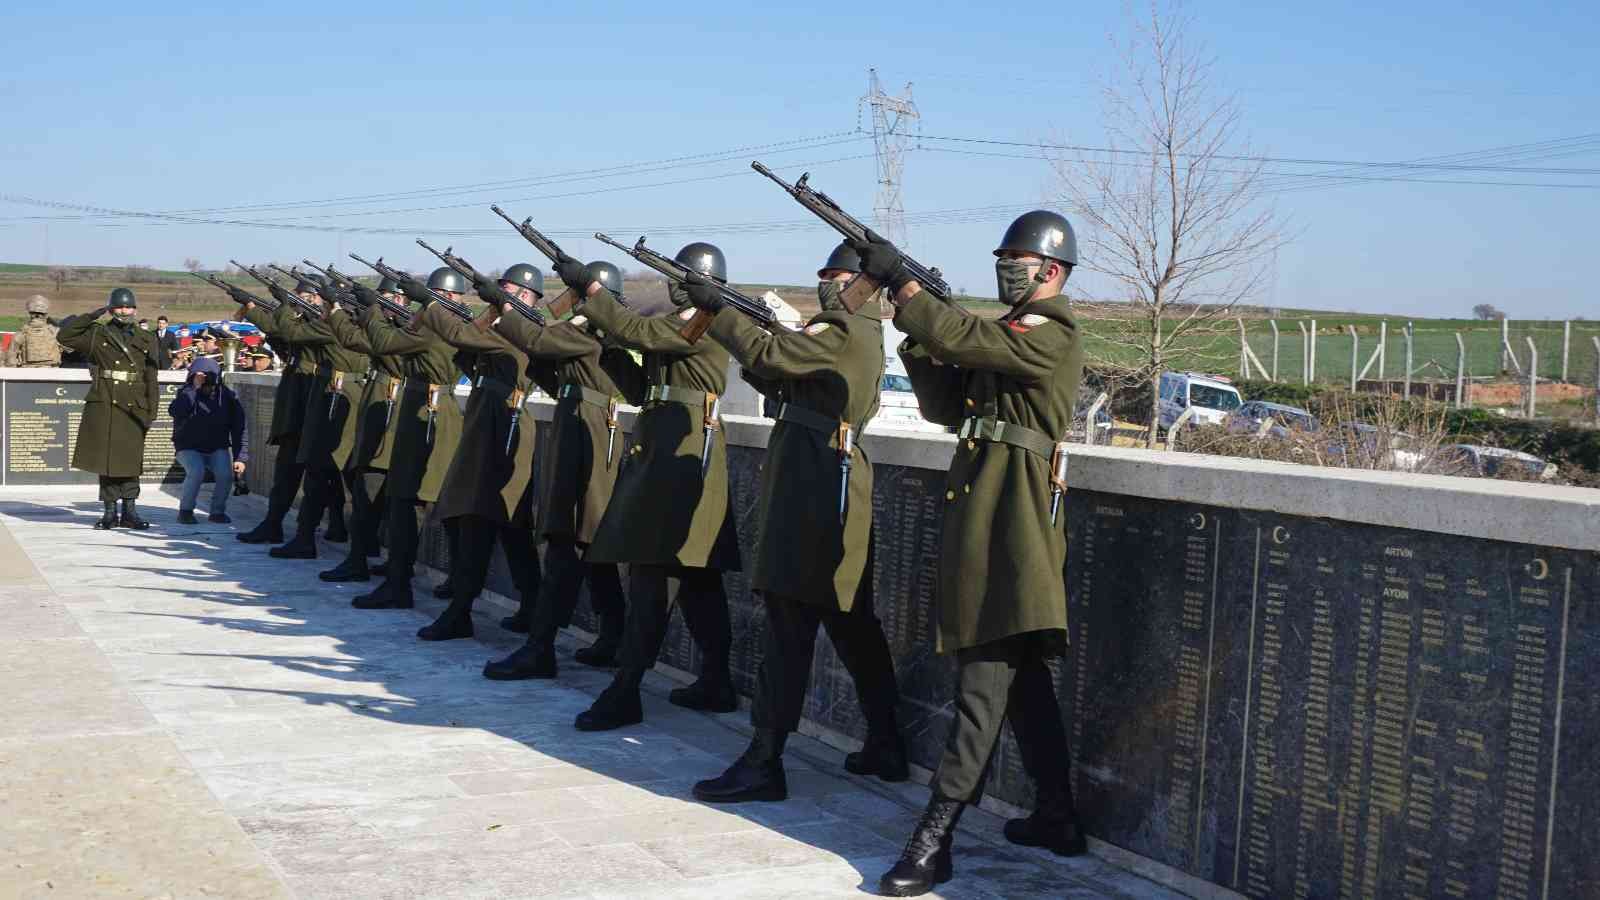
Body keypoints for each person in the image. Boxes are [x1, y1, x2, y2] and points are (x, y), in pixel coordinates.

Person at [855, 212, 1084, 897]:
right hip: (988, 520)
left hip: (1013, 530)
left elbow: (967, 335)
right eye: (1003, 255)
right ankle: (1058, 816)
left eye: (1019, 258)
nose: (1007, 266)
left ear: (1053, 269)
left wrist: (909, 288)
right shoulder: (1009, 339)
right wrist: (913, 322)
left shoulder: (1052, 333)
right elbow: (946, 407)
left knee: (983, 684)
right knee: (1022, 684)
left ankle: (935, 839)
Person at [688, 243, 907, 804]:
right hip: (826, 482)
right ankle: (887, 741)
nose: (826, 283)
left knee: (788, 623)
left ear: (861, 281)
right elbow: (784, 380)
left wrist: (722, 312)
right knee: (852, 625)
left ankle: (765, 760)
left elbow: (777, 358)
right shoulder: (848, 331)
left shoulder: (843, 328)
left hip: (816, 487)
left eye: (835, 275)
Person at [550, 243, 740, 732]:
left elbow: (638, 329)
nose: (672, 284)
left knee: (657, 578)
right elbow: (641, 390)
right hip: (663, 455)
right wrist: (607, 342)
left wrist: (591, 293)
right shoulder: (683, 323)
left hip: (685, 459)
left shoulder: (707, 319)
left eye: (679, 275)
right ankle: (717, 681)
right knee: (696, 580)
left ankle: (627, 688)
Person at [480, 261, 633, 679]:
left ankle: (540, 647)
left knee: (569, 543)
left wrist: (505, 307)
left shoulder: (588, 328)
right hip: (579, 429)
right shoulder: (589, 329)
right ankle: (613, 635)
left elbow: (539, 339)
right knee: (588, 543)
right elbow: (556, 375)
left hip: (590, 437)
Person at [407, 265, 544, 641]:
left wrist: (430, 302)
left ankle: (497, 609)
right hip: (487, 426)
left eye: (508, 290)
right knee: (484, 522)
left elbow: (458, 335)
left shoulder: (522, 329)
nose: (500, 295)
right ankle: (481, 608)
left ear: (527, 296)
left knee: (504, 526)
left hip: (506, 428)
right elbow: (469, 355)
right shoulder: (503, 328)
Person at [350, 274, 465, 611]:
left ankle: (400, 585)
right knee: (430, 504)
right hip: (428, 410)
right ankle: (444, 581)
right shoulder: (446, 324)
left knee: (407, 502)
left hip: (426, 414)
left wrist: (372, 308)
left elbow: (385, 343)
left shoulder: (433, 327)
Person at [254, 275, 362, 560]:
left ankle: (313, 536)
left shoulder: (332, 325)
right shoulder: (331, 323)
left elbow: (291, 332)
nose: (311, 301)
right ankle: (335, 532)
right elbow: (287, 340)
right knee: (326, 472)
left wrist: (282, 305)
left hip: (322, 398)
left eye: (313, 296)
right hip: (318, 396)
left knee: (322, 472)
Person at [317, 275, 408, 583]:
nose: (382, 306)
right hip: (382, 422)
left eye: (387, 299)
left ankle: (361, 562)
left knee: (371, 497)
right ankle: (384, 561)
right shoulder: (395, 331)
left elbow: (356, 339)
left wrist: (338, 310)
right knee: (376, 498)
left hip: (388, 428)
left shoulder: (401, 334)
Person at [57, 288, 161, 530]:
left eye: (129, 307)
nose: (125, 311)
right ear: (111, 309)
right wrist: (92, 315)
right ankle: (109, 512)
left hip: (134, 405)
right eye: (120, 307)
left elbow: (151, 378)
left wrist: (151, 411)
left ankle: (131, 512)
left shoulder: (147, 338)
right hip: (105, 403)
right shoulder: (97, 334)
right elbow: (65, 336)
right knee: (107, 461)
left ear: (135, 309)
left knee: (131, 460)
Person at [169, 355, 248, 524]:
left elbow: (239, 428)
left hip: (216, 446)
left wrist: (240, 457)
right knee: (196, 472)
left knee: (225, 475)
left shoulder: (227, 397)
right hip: (188, 447)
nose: (206, 382)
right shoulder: (186, 393)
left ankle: (217, 512)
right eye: (200, 376)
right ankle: (186, 511)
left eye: (208, 377)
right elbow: (176, 411)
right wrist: (194, 388)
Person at [2, 295, 61, 368]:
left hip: (27, 371)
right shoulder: (54, 331)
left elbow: (11, 356)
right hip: (52, 371)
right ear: (46, 315)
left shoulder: (22, 332)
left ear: (30, 313)